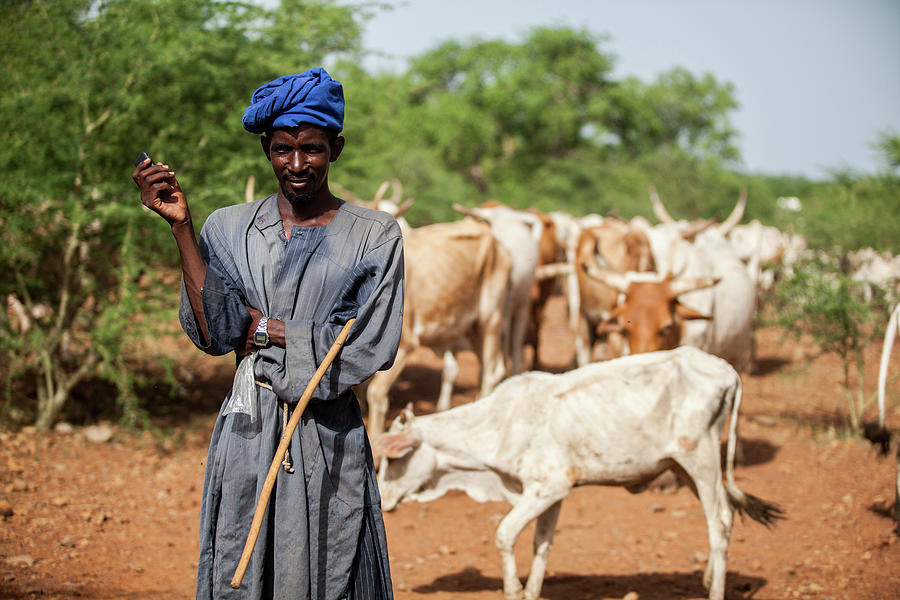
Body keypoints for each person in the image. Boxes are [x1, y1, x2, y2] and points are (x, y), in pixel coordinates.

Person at [133, 67, 404, 600]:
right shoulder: (227, 229)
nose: (297, 165)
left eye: (312, 149)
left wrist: (260, 328)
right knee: (242, 558)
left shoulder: (375, 235)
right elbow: (216, 331)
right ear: (267, 151)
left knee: (331, 564)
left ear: (336, 149)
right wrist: (181, 228)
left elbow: (368, 345)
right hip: (247, 430)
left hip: (329, 432)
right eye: (283, 149)